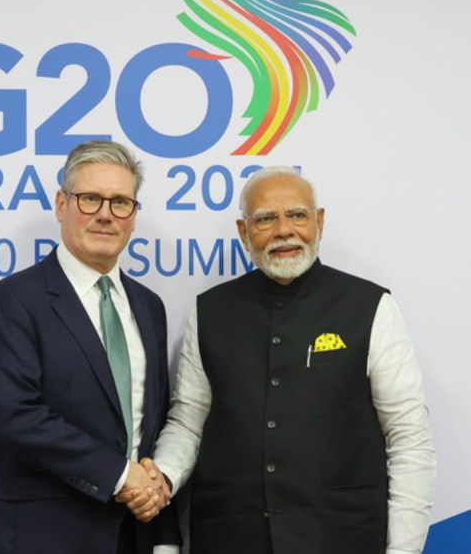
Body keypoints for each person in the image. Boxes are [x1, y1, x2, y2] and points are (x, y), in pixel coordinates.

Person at [127, 166, 436, 553]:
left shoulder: (371, 307)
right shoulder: (211, 311)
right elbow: (189, 422)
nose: (284, 231)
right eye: (265, 219)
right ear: (244, 232)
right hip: (230, 538)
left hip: (342, 538)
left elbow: (409, 438)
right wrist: (164, 478)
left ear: (319, 222)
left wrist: (404, 550)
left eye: (297, 215)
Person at [0, 140, 180, 554]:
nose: (105, 214)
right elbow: (15, 417)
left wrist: (156, 504)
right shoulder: (12, 301)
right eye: (90, 198)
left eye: (120, 203)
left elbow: (148, 425)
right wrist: (119, 475)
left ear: (134, 217)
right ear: (62, 205)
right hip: (37, 536)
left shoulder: (150, 307)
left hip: (129, 535)